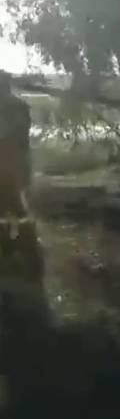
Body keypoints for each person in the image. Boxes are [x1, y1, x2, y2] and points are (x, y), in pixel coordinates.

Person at [0, 75, 41, 284]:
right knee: (15, 212)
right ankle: (15, 256)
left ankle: (29, 260)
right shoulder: (19, 106)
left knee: (17, 212)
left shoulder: (14, 108)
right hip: (15, 170)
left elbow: (12, 139)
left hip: (11, 171)